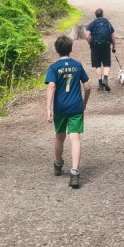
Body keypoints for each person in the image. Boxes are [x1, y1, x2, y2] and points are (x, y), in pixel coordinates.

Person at [45, 34, 91, 189]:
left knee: (60, 136)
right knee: (75, 138)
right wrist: (84, 103)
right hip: (76, 107)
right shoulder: (77, 65)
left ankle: (58, 164)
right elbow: (87, 87)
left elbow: (51, 86)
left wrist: (48, 108)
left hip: (60, 108)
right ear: (71, 49)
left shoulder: (54, 68)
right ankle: (75, 172)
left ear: (56, 50)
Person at [85, 7, 116, 91]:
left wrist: (91, 44)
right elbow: (113, 36)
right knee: (106, 64)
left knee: (97, 65)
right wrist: (113, 47)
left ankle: (100, 84)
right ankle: (105, 79)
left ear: (96, 15)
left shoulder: (92, 24)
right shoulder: (107, 23)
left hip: (95, 46)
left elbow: (87, 36)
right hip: (106, 45)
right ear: (102, 14)